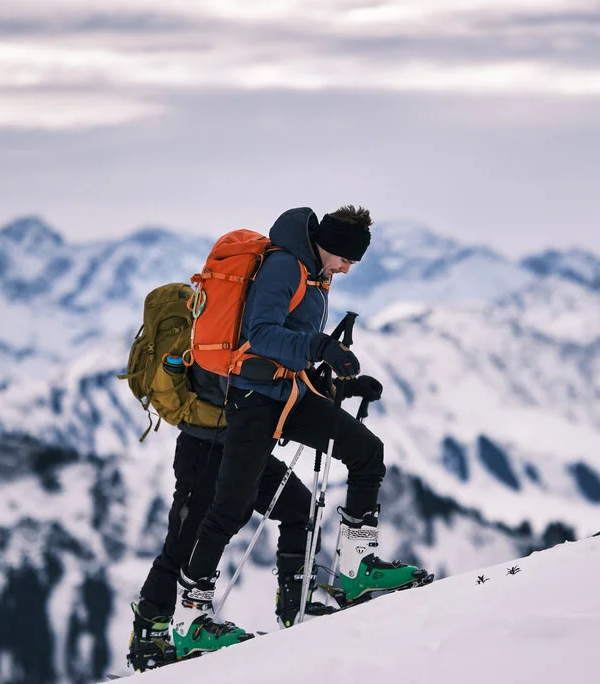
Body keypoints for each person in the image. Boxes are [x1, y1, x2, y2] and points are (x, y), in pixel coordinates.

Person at [172, 205, 429, 657]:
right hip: (253, 401)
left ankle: (356, 567)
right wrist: (321, 346)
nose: (349, 268)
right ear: (330, 245)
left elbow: (294, 348)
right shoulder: (284, 266)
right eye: (348, 258)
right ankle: (190, 619)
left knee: (367, 451)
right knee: (229, 509)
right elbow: (262, 334)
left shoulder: (315, 273)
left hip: (290, 393)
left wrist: (338, 381)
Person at [126, 361, 336, 672]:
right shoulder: (222, 332)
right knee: (187, 543)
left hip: (245, 445)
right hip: (206, 445)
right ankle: (148, 641)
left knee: (300, 509)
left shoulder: (249, 326)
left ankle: (296, 605)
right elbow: (234, 382)